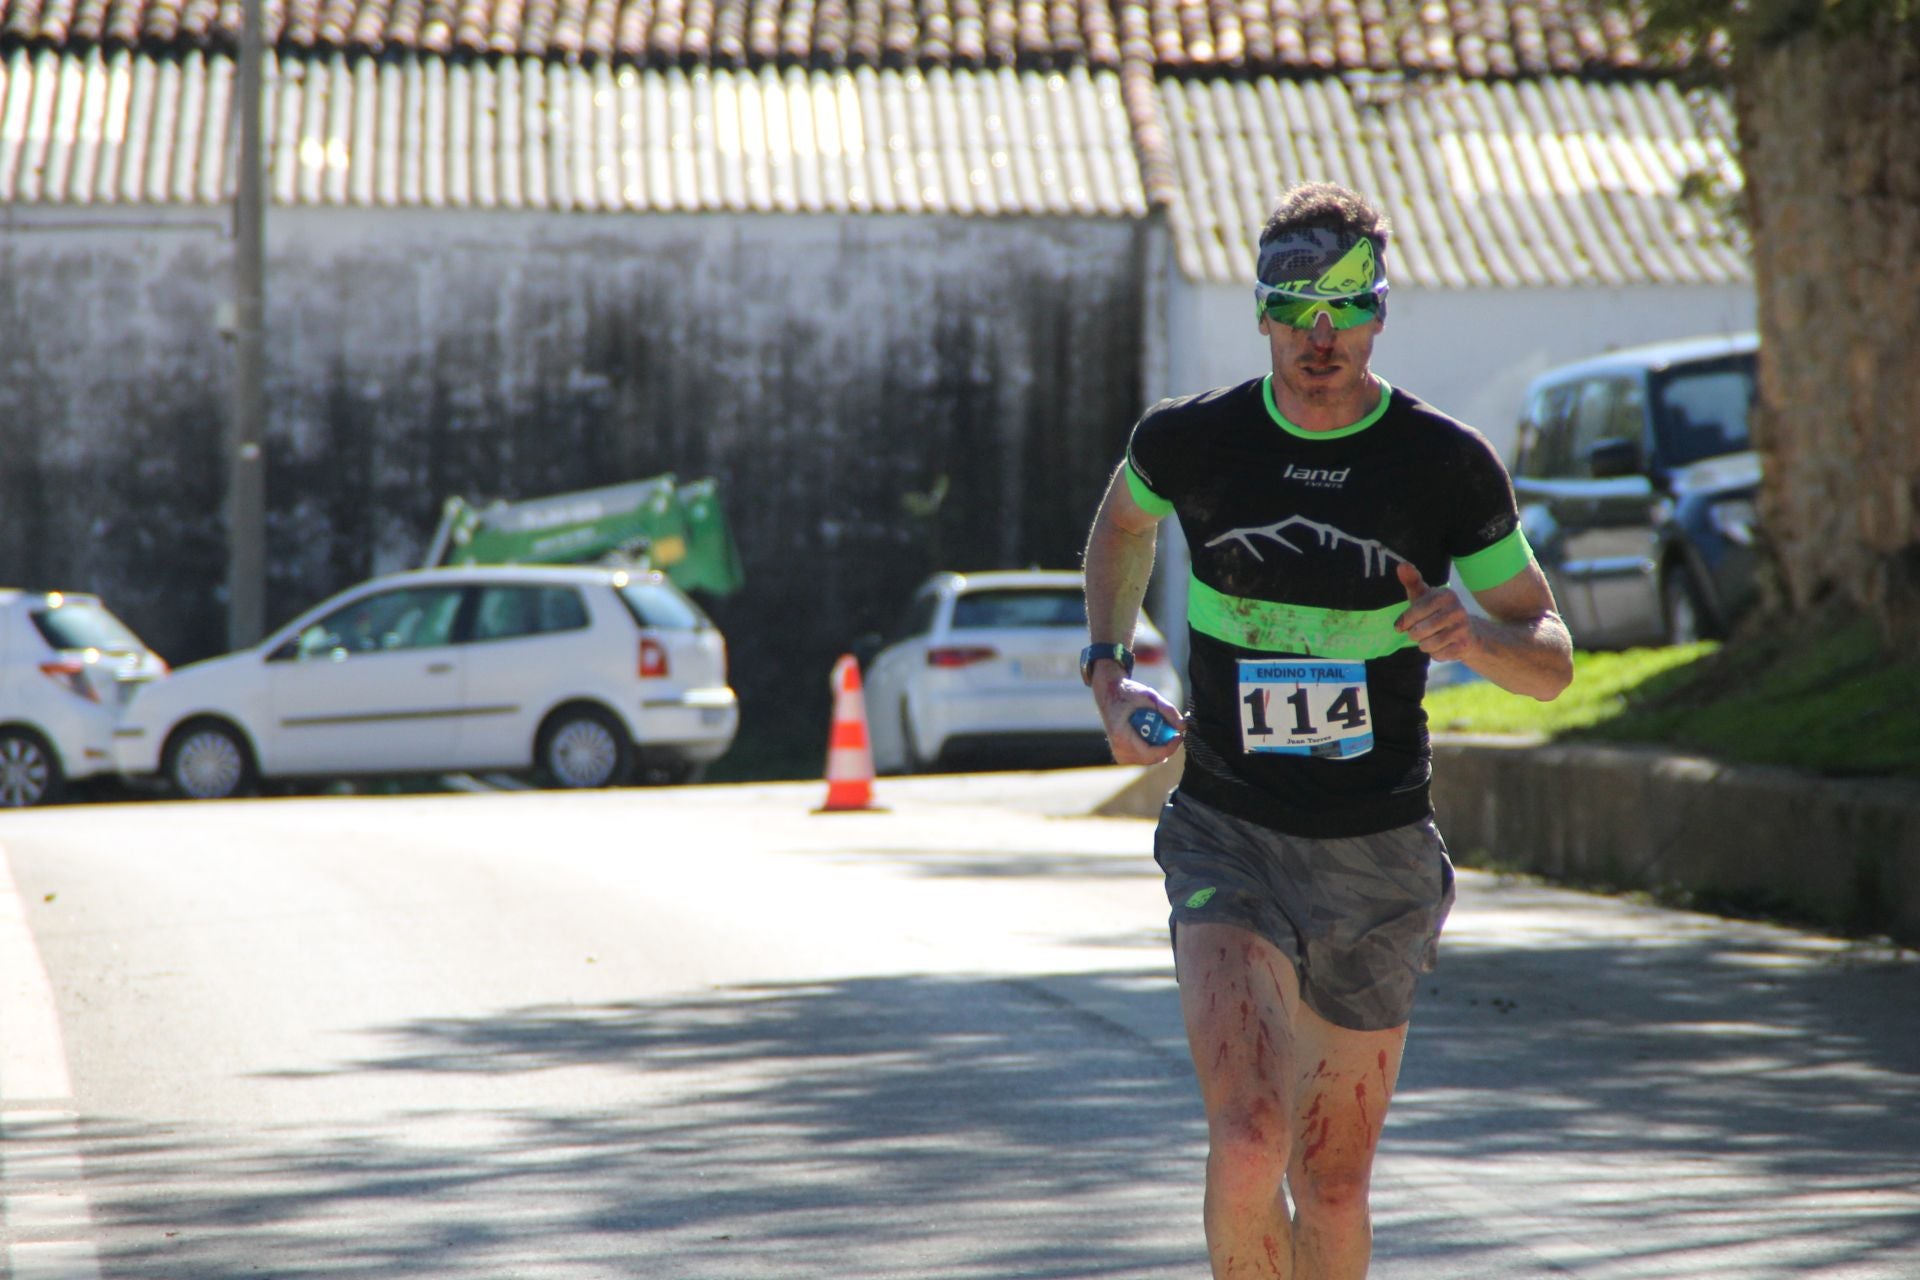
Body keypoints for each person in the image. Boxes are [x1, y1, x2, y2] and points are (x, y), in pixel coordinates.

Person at [1080, 181, 1572, 1279]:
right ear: (1261, 311)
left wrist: (1475, 638)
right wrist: (1110, 673)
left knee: (1333, 1180)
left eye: (1344, 308)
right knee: (1251, 1139)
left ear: (1379, 315)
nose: (1319, 334)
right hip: (1228, 833)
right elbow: (1121, 525)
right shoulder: (1192, 441)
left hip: (1380, 856)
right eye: (1295, 306)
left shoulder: (1442, 464)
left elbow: (1549, 653)